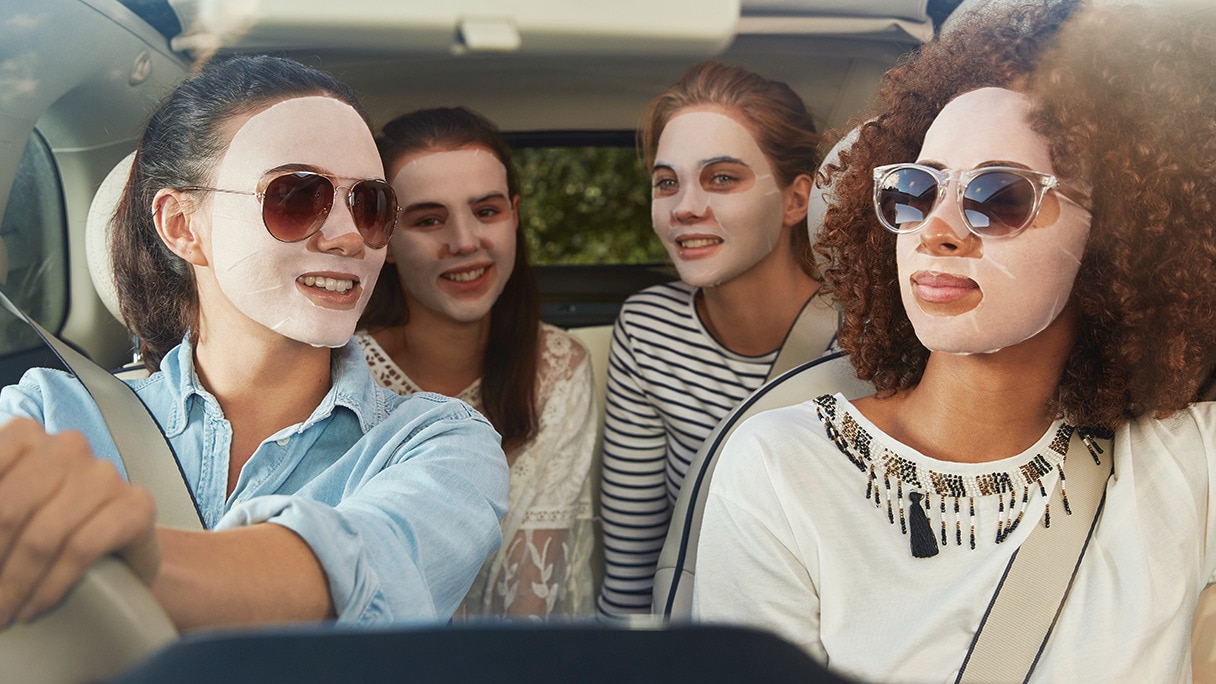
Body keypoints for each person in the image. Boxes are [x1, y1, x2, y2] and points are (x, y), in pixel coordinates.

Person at [692, 1, 1216, 681]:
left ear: (1119, 239)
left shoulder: (1188, 461)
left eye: (999, 196)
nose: (936, 229)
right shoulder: (779, 470)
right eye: (914, 190)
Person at [0, 55, 509, 630]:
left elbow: (365, 565)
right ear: (182, 226)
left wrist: (115, 560)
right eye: (295, 197)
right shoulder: (45, 416)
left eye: (370, 205)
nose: (349, 238)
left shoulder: (442, 445)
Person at [597, 61, 836, 617]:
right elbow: (633, 567)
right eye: (665, 183)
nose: (685, 207)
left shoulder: (873, 340)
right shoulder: (648, 330)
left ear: (797, 200)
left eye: (722, 177)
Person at [356, 106, 597, 619]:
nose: (465, 242)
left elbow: (534, 588)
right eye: (429, 219)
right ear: (386, 240)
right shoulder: (342, 373)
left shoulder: (558, 368)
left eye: (486, 212)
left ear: (514, 215)